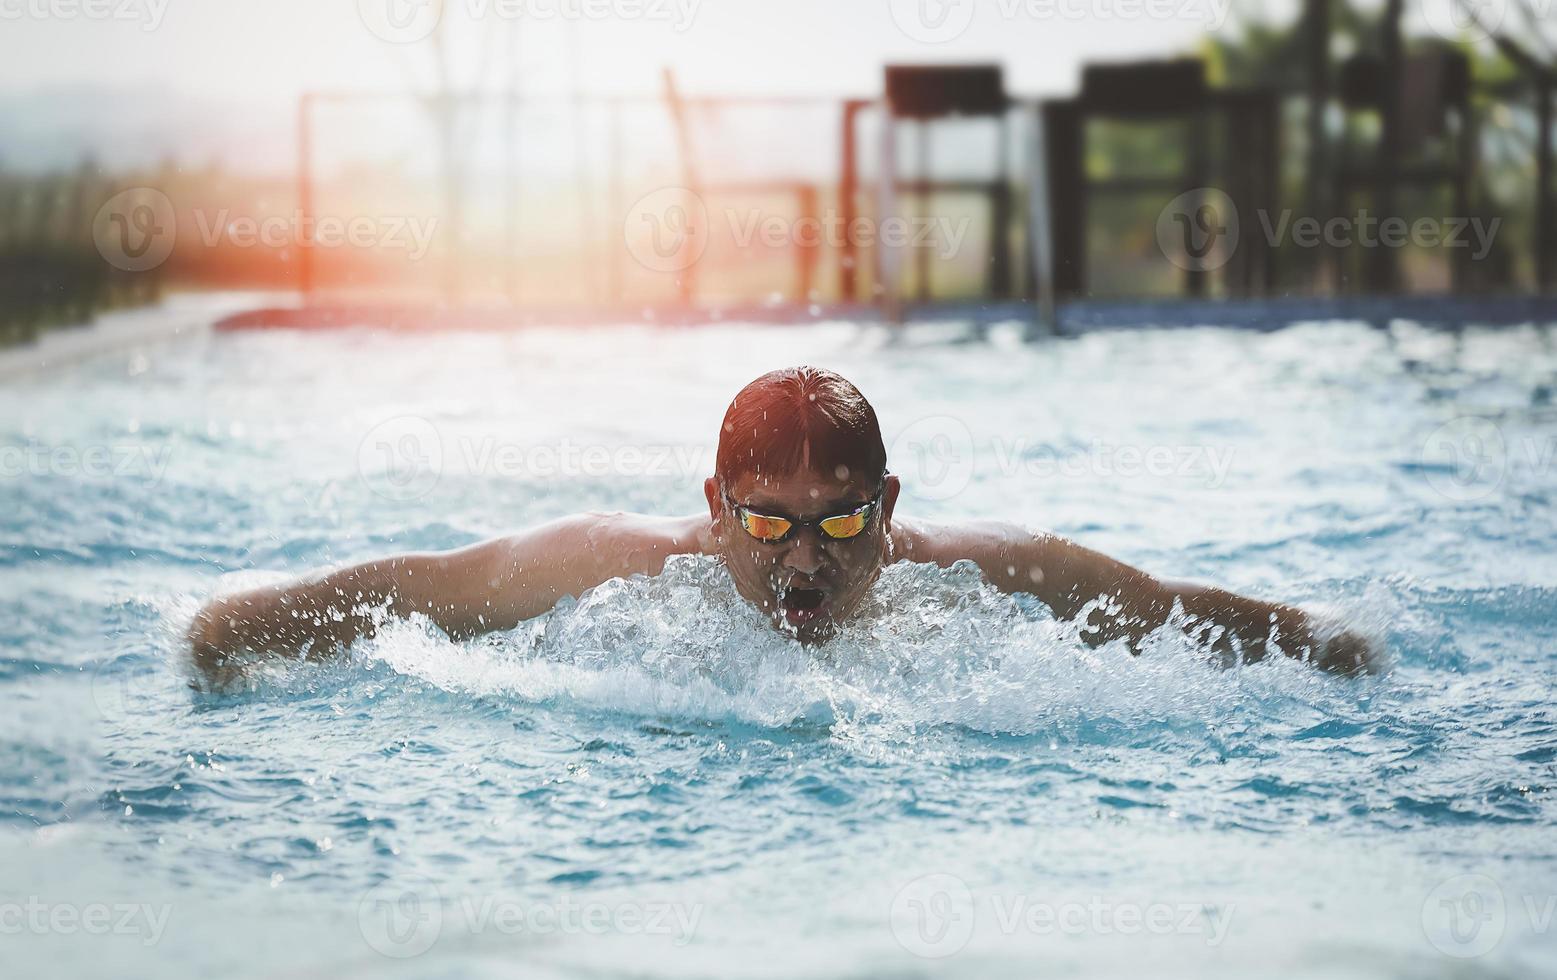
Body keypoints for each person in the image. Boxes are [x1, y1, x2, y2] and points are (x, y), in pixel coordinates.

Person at [187, 366, 1373, 678]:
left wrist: (1326, 639)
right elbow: (431, 591)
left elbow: (1161, 612)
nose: (804, 560)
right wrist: (237, 623)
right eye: (768, 526)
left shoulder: (968, 568)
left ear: (889, 508)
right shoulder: (623, 564)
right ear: (715, 511)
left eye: (840, 522)